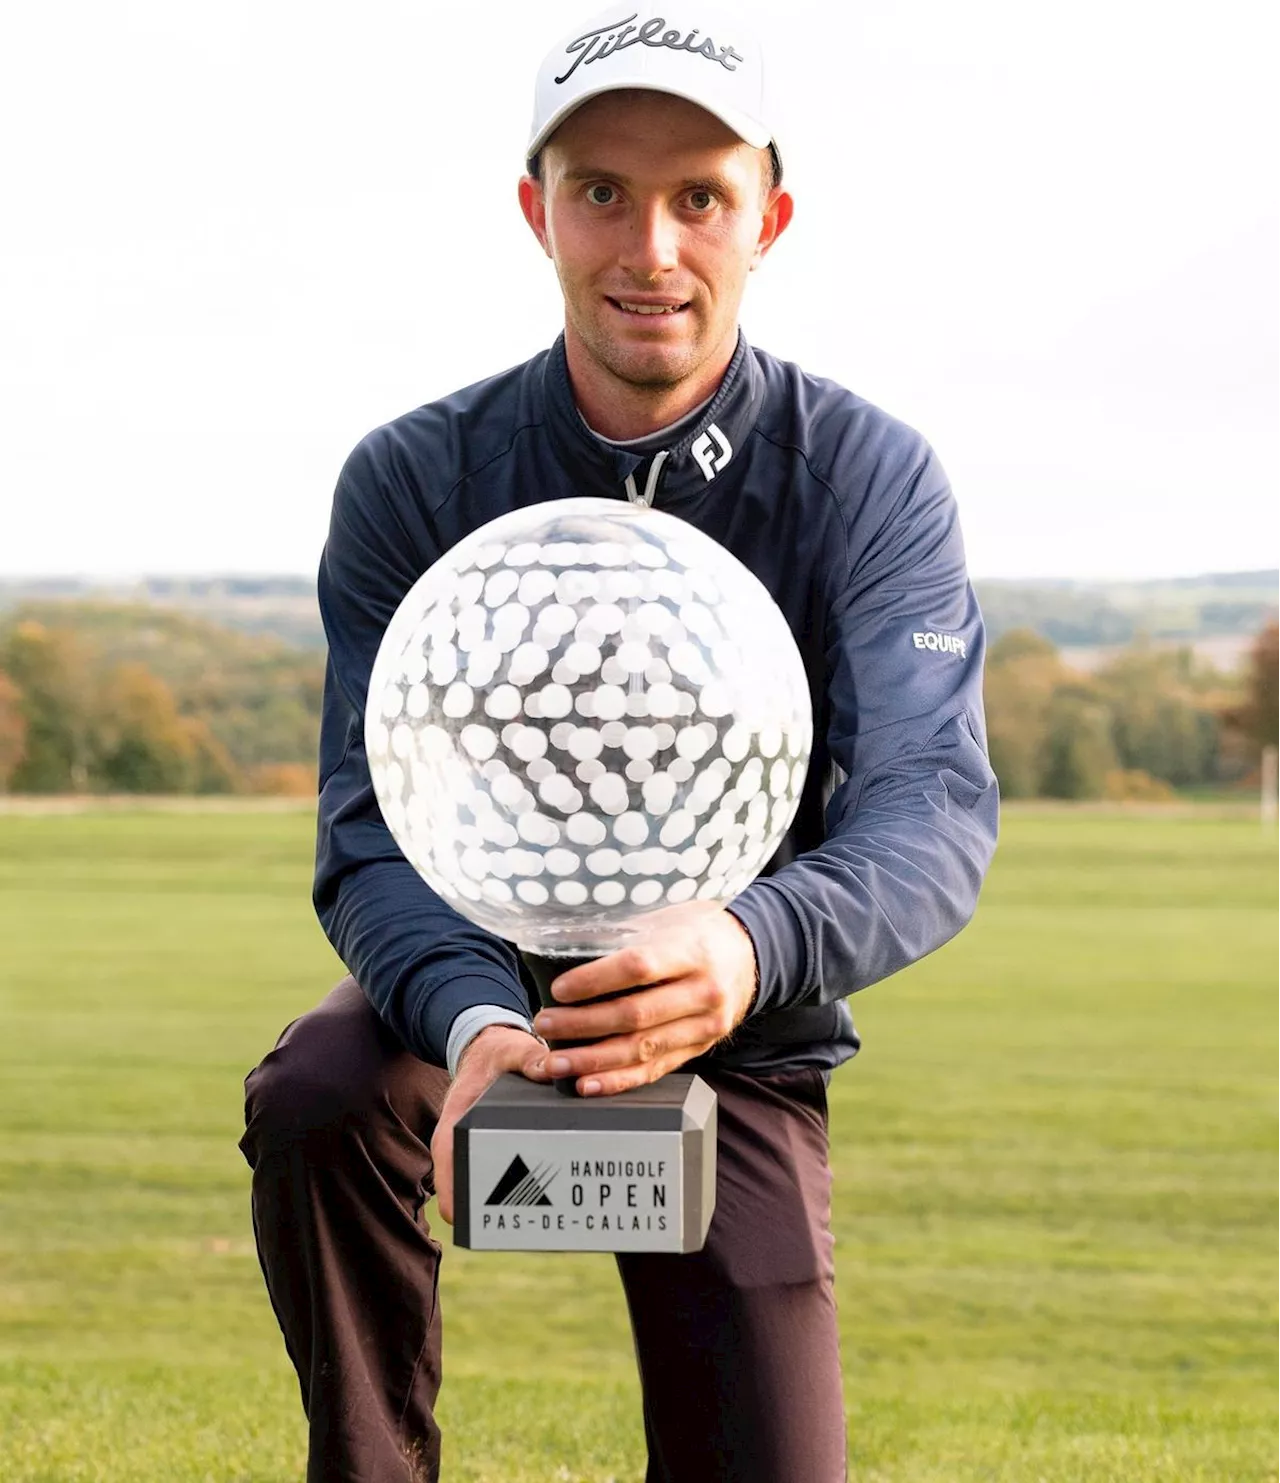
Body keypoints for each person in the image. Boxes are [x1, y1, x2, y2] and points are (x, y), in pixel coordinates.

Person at [240, 6, 999, 1481]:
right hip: (463, 997)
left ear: (768, 217)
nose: (651, 244)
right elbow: (364, 836)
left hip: (734, 1010)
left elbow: (932, 814)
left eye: (699, 196)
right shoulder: (415, 476)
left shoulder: (865, 476)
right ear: (537, 212)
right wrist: (468, 1021)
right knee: (322, 1089)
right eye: (601, 191)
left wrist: (745, 947)